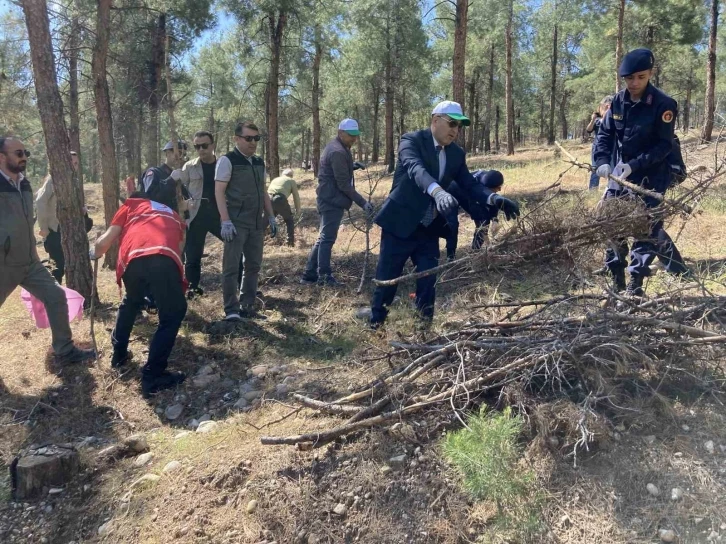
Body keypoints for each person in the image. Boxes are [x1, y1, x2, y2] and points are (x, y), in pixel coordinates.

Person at [367, 101, 520, 328]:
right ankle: (375, 327)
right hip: (399, 224)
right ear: (435, 120)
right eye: (452, 123)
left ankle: (423, 331)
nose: (456, 130)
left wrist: (493, 198)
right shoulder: (412, 141)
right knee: (387, 281)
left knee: (428, 282)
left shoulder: (456, 153)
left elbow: (469, 184)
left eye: (459, 126)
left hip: (429, 227)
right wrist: (437, 191)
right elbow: (415, 169)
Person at [593, 48, 689, 296]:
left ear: (650, 74)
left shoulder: (663, 104)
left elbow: (664, 145)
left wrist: (635, 165)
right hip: (620, 176)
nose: (634, 83)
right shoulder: (617, 102)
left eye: (641, 77)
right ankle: (616, 283)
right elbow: (604, 135)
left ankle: (635, 286)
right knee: (612, 226)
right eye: (629, 78)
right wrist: (602, 161)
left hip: (652, 176)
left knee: (644, 230)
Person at [0, 137, 95, 364]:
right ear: (2, 157)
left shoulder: (24, 184)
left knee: (56, 296)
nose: (24, 157)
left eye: (26, 153)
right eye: (18, 153)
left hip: (30, 261)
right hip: (3, 263)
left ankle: (64, 350)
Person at [89, 189, 188, 396]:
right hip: (164, 257)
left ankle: (119, 354)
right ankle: (153, 376)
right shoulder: (172, 214)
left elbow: (104, 243)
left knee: (131, 300)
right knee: (172, 314)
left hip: (132, 259)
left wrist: (95, 252)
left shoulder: (130, 206)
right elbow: (179, 249)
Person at [215, 121, 277, 321]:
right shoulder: (228, 160)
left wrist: (271, 215)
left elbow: (263, 191)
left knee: (253, 265)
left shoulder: (258, 162)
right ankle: (231, 310)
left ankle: (247, 305)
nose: (253, 143)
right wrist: (225, 221)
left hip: (256, 223)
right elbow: (219, 192)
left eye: (256, 138)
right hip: (236, 222)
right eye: (248, 138)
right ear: (237, 139)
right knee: (231, 267)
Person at [301, 119, 375, 286]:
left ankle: (309, 275)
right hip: (331, 200)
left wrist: (351, 166)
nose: (354, 139)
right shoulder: (337, 151)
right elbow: (343, 184)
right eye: (351, 136)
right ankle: (324, 277)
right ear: (340, 132)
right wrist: (363, 202)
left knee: (323, 238)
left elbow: (336, 170)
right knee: (327, 238)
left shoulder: (340, 147)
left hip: (329, 197)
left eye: (356, 136)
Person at [172, 131, 220, 299]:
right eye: (197, 146)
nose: (201, 149)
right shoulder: (190, 166)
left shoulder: (223, 164)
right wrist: (174, 179)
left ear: (213, 145)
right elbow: (179, 191)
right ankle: (192, 288)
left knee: (236, 246)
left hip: (220, 215)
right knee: (193, 256)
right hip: (196, 216)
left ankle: (239, 283)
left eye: (204, 146)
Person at [35, 151, 93, 283]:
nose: (74, 166)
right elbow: (40, 201)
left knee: (72, 266)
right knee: (57, 268)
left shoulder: (73, 180)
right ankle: (52, 298)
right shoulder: (53, 180)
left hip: (69, 230)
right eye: (71, 163)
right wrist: (43, 227)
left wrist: (81, 211)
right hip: (54, 231)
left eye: (76, 163)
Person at [443, 169, 505, 260]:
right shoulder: (475, 190)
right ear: (487, 188)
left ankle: (475, 251)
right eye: (497, 187)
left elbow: (491, 200)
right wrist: (486, 238)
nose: (500, 189)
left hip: (467, 191)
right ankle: (450, 256)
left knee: (484, 221)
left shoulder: (487, 179)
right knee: (453, 224)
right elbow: (478, 216)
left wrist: (495, 219)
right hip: (452, 192)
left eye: (500, 186)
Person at [267, 168, 300, 247]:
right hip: (280, 199)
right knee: (289, 220)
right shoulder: (291, 181)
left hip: (269, 199)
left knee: (266, 221)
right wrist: (298, 210)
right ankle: (290, 242)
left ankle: (259, 240)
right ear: (291, 175)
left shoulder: (275, 179)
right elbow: (296, 196)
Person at [585, 96, 613, 190]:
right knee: (595, 169)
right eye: (605, 106)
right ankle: (593, 189)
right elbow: (588, 130)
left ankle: (612, 188)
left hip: (612, 147)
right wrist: (593, 119)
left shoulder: (613, 118)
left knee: (612, 168)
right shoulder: (597, 120)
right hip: (597, 148)